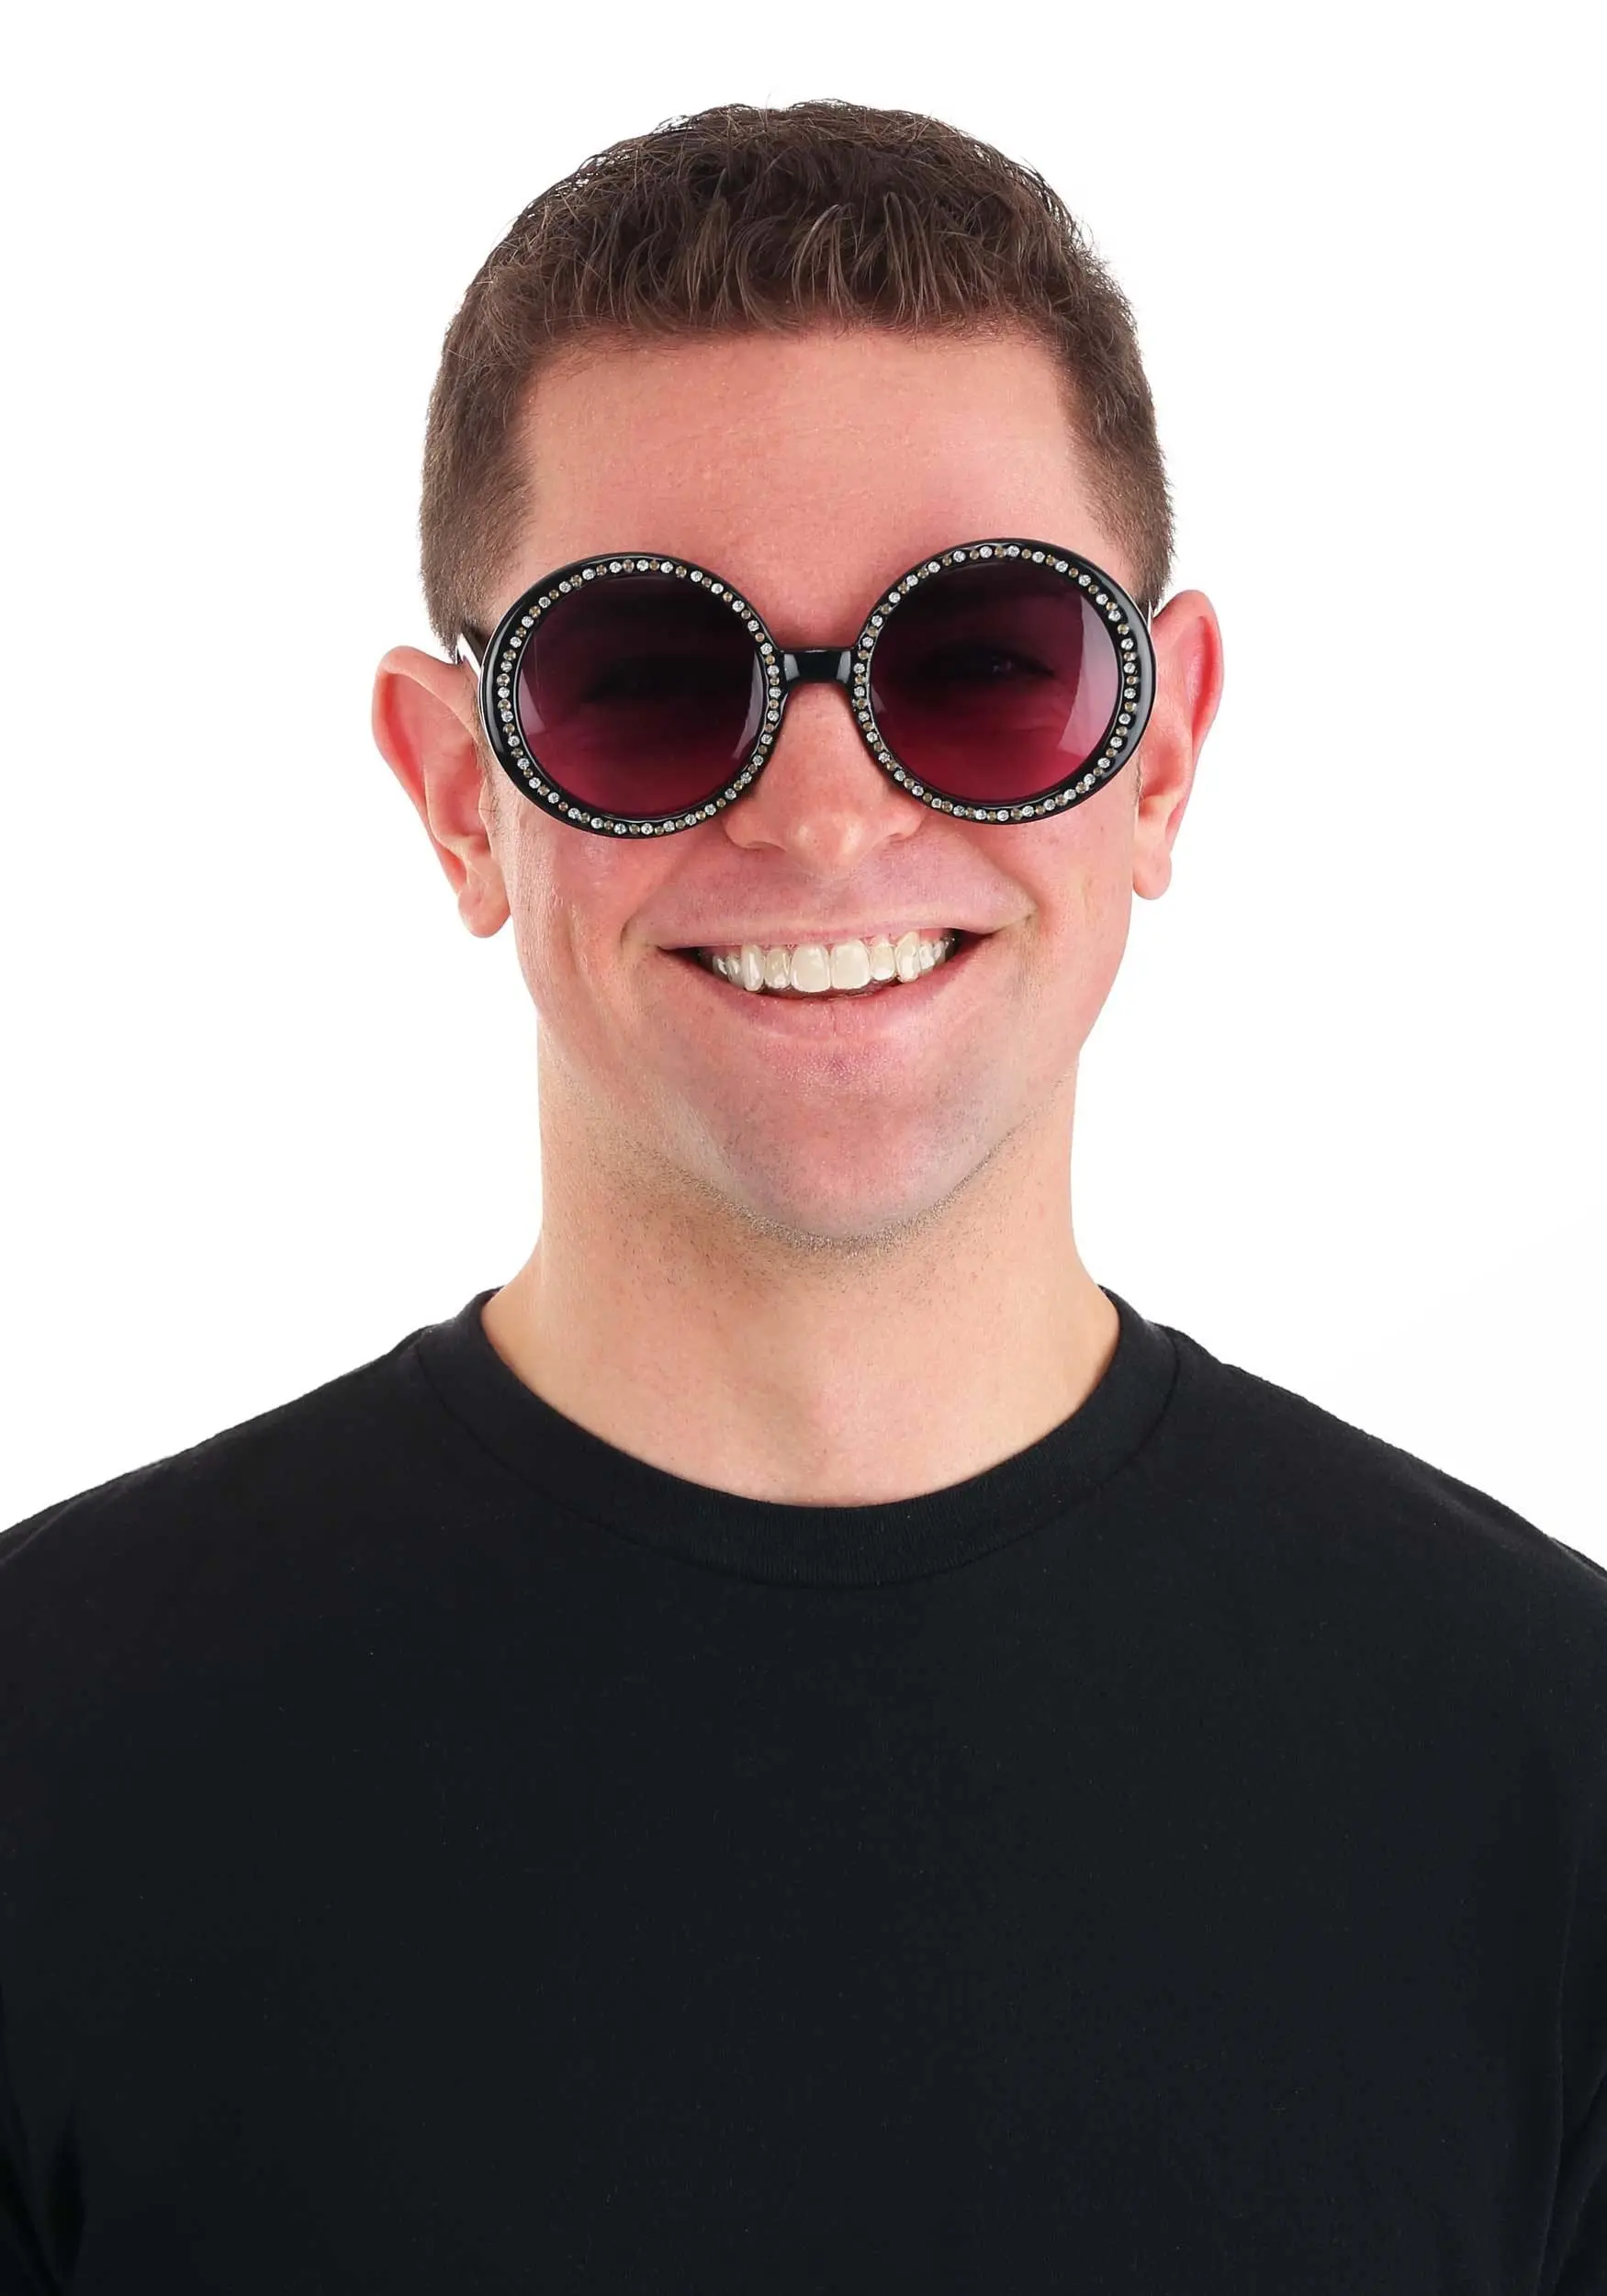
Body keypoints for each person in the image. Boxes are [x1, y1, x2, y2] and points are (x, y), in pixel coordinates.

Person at [1, 98, 1601, 2296]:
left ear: (1156, 753)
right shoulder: (45, 1758)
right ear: (461, 794)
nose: (828, 815)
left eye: (986, 660)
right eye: (648, 681)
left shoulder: (1549, 1780)